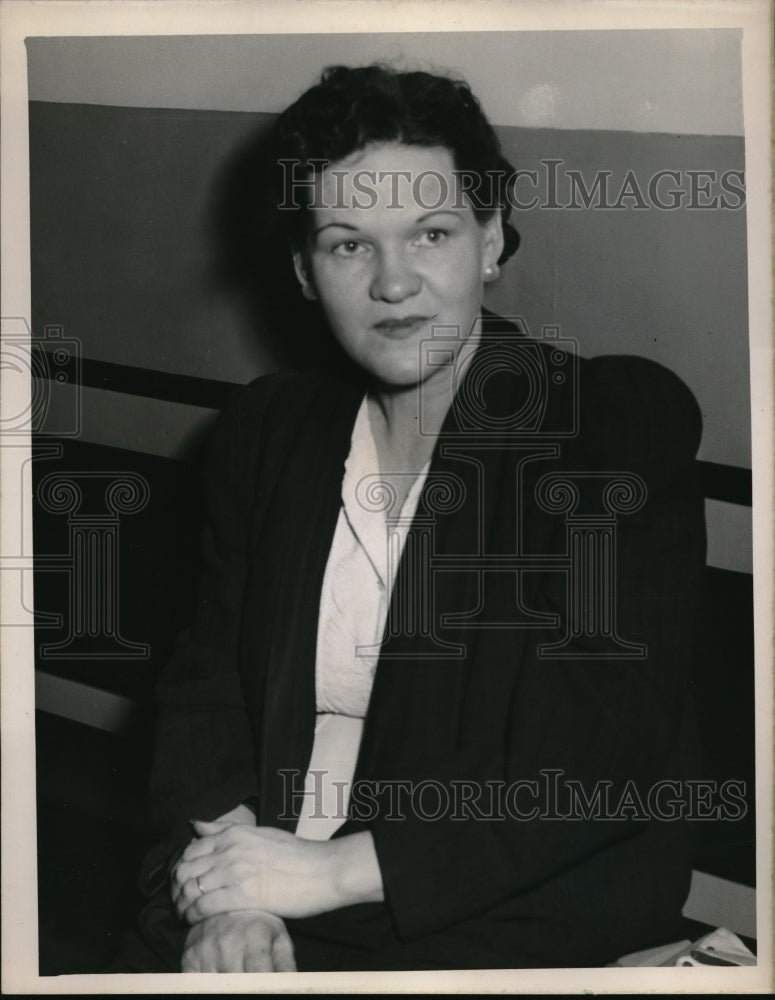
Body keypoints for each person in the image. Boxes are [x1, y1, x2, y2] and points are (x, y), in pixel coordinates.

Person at [119, 64, 706, 973]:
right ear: (304, 273)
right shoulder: (269, 432)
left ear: (490, 241)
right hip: (273, 878)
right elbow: (207, 691)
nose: (394, 283)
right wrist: (231, 897)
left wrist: (325, 875)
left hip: (498, 911)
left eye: (429, 234)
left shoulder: (604, 430)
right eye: (348, 245)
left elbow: (595, 757)